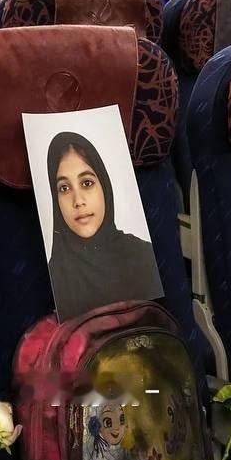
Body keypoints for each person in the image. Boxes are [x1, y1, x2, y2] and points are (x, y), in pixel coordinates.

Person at [45, 132, 163, 319]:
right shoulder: (53, 275)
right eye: (64, 188)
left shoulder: (143, 256)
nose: (78, 201)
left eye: (87, 183)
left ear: (104, 187)